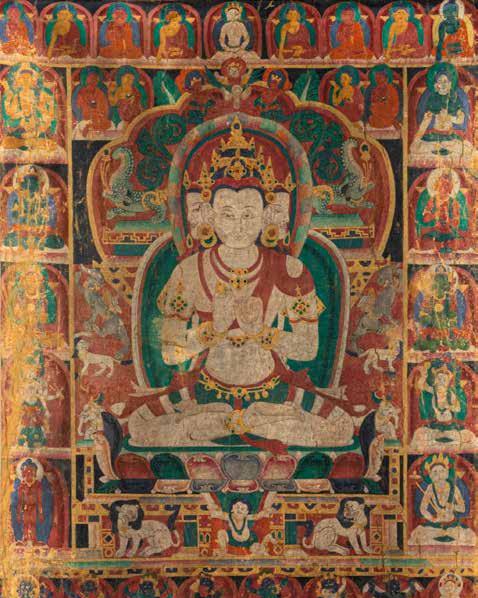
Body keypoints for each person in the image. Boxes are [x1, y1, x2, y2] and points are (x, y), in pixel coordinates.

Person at [122, 117, 357, 451]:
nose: (238, 225)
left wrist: (262, 333)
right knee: (140, 427)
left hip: (274, 391)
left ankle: (237, 425)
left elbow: (308, 349)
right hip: (205, 391)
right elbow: (170, 353)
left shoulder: (290, 270)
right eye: (227, 214)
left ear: (267, 216)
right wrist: (209, 333)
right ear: (208, 216)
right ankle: (238, 425)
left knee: (340, 428)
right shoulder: (189, 271)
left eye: (248, 214)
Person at [410, 63, 473, 166]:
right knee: (415, 148)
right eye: (440, 81)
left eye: (445, 81)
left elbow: (461, 119)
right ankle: (439, 147)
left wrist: (450, 117)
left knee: (467, 149)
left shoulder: (455, 99)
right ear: (436, 85)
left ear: (450, 84)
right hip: (433, 138)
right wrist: (417, 138)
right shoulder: (432, 100)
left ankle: (445, 147)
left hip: (450, 138)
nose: (443, 84)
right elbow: (425, 122)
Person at [73, 68, 111, 134]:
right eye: (91, 78)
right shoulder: (81, 93)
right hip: (86, 120)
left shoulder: (100, 93)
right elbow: (81, 108)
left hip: (99, 120)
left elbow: (105, 109)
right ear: (86, 79)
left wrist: (99, 114)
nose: (93, 80)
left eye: (95, 78)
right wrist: (92, 112)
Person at [364, 65, 401, 130]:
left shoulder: (391, 90)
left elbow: (395, 107)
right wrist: (376, 105)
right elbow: (372, 105)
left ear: (386, 78)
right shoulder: (374, 90)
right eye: (376, 78)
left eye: (380, 77)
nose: (378, 80)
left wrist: (382, 105)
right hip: (376, 117)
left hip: (388, 117)